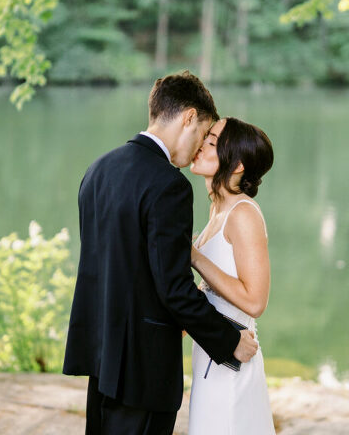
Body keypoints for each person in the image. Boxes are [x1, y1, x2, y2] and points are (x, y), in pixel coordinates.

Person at [63, 72, 258, 435]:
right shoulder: (169, 185)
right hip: (144, 370)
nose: (199, 147)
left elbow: (108, 268)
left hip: (101, 359)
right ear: (189, 118)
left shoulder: (98, 170)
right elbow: (173, 288)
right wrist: (229, 340)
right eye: (203, 133)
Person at [188, 116, 276, 434]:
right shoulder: (217, 211)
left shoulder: (243, 213)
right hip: (211, 356)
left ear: (237, 164)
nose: (200, 145)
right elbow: (212, 289)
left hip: (232, 366)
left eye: (211, 141)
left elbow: (255, 301)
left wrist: (193, 256)